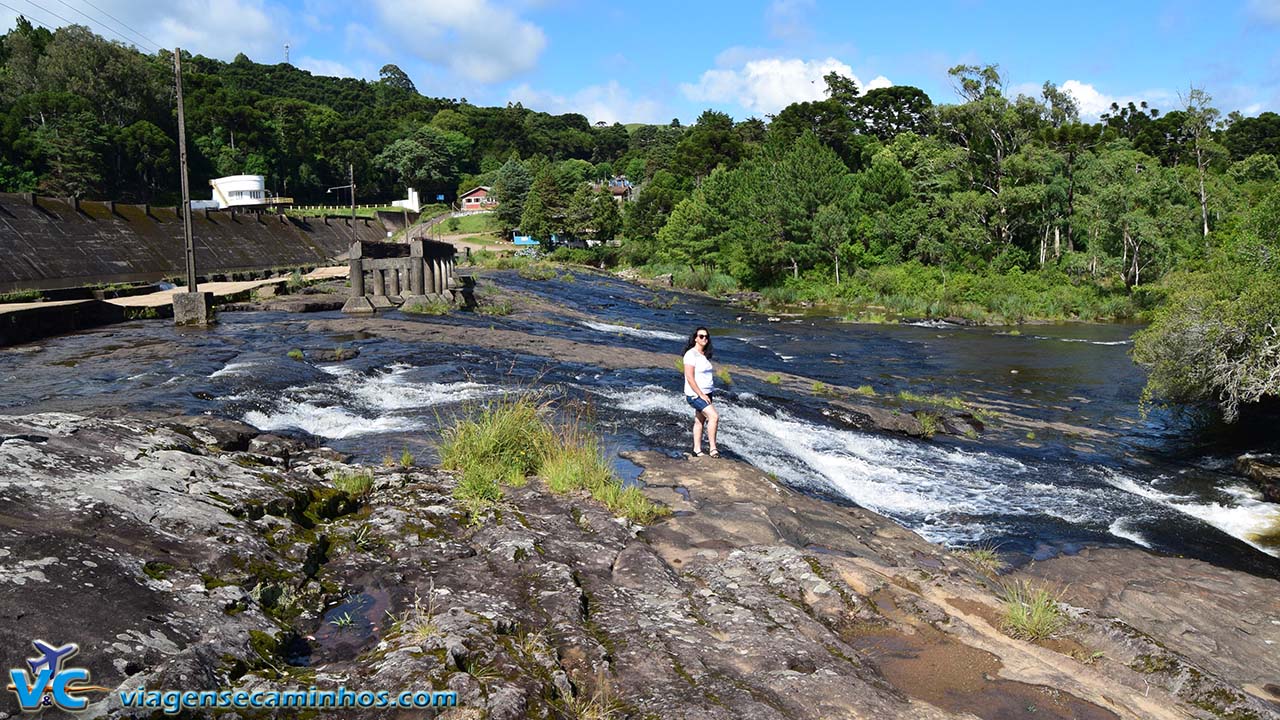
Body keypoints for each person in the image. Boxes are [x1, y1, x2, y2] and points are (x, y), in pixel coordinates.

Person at [682, 327, 720, 457]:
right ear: (695, 338)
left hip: (707, 392)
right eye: (701, 336)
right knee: (714, 417)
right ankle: (713, 449)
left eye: (706, 336)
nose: (704, 339)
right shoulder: (690, 354)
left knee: (700, 421)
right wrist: (700, 394)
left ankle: (696, 449)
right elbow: (690, 377)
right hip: (695, 394)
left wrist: (706, 393)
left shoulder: (704, 354)